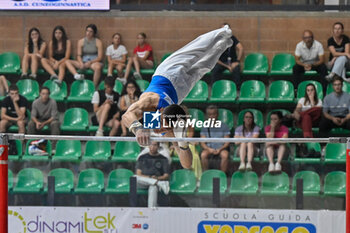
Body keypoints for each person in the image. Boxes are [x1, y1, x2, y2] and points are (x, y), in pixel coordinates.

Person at [122, 26, 233, 169]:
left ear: (161, 114)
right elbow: (187, 165)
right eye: (167, 125)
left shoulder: (150, 104)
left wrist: (137, 129)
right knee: (203, 65)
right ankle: (224, 44)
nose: (162, 128)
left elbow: (127, 116)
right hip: (175, 86)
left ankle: (222, 31)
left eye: (164, 124)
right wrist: (182, 143)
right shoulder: (165, 120)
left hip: (167, 76)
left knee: (195, 52)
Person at [65, 24, 103, 88]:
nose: (88, 33)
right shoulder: (81, 41)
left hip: (93, 62)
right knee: (67, 61)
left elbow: (100, 57)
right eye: (87, 31)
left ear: (94, 33)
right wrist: (81, 63)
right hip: (83, 61)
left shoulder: (98, 42)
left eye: (91, 31)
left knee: (98, 67)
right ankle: (76, 75)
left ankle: (94, 86)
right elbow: (79, 55)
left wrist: (90, 62)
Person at [135, 141, 170, 208]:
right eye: (151, 145)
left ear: (158, 146)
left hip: (156, 180)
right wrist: (150, 177)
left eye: (155, 145)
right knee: (134, 178)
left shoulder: (163, 159)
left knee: (153, 187)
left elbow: (166, 176)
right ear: (148, 146)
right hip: (143, 182)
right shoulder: (142, 157)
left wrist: (156, 178)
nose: (152, 147)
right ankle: (157, 183)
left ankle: (151, 211)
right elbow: (138, 174)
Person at [211, 23, 243, 87]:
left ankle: (237, 90)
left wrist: (237, 61)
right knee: (215, 70)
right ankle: (215, 88)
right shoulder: (218, 40)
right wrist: (227, 66)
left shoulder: (232, 38)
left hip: (232, 62)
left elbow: (240, 48)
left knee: (236, 69)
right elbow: (215, 58)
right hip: (221, 63)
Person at [200, 105, 230, 173]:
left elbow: (227, 142)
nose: (212, 116)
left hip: (221, 148)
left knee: (225, 155)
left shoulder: (224, 126)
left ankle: (222, 175)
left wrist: (220, 149)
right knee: (203, 155)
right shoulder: (205, 126)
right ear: (208, 116)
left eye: (214, 114)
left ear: (217, 114)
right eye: (210, 114)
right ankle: (206, 173)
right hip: (209, 148)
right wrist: (209, 149)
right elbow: (202, 142)